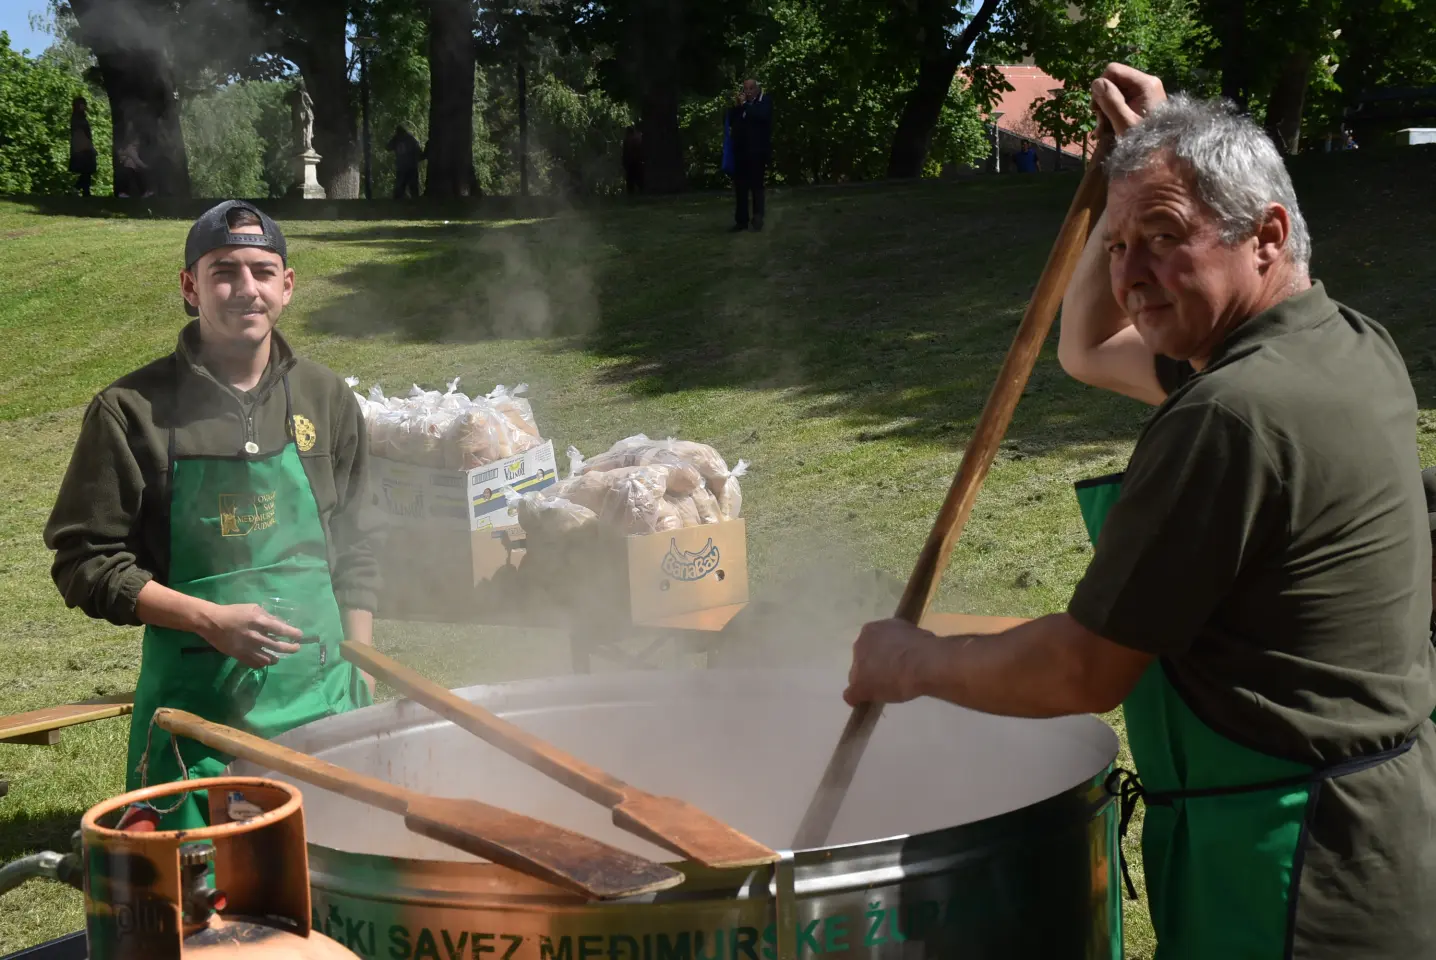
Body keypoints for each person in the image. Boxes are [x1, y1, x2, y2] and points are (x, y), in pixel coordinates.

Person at [843, 62, 1436, 959]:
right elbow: (1086, 348)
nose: (1132, 275)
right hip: (1376, 831)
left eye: (1163, 237)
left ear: (1268, 235)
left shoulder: (1229, 414)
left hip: (1288, 872)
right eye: (1119, 248)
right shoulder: (1345, 344)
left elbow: (1083, 672)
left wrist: (913, 662)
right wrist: (1130, 169)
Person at [45, 200, 380, 830]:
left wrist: (360, 670)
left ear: (287, 286)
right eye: (224, 270)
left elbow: (358, 542)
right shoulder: (130, 410)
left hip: (326, 707)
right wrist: (208, 620)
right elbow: (83, 560)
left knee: (331, 887)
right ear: (190, 286)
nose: (245, 289)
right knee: (204, 907)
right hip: (194, 724)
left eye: (262, 270)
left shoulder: (325, 397)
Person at [727, 78, 772, 232]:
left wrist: (746, 105)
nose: (748, 92)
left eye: (751, 88)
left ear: (757, 89)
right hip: (741, 152)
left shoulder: (764, 101)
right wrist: (737, 106)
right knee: (740, 187)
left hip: (757, 152)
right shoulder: (742, 106)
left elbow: (762, 116)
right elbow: (732, 121)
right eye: (746, 89)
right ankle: (741, 221)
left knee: (757, 185)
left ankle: (758, 216)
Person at [69, 96, 97, 199]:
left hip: (82, 146)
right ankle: (78, 188)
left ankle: (86, 192)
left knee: (87, 170)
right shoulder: (77, 118)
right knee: (87, 169)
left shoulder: (80, 117)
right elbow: (80, 134)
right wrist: (88, 146)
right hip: (82, 147)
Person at [387, 123, 423, 200]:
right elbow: (419, 153)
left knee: (401, 188)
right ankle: (414, 203)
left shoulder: (397, 139)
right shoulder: (410, 139)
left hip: (403, 167)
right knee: (412, 189)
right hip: (410, 167)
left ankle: (401, 203)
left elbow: (388, 147)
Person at [622, 124, 643, 195]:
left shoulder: (628, 140)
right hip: (637, 162)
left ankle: (632, 195)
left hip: (632, 162)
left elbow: (625, 153)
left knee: (631, 181)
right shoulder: (639, 137)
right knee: (638, 180)